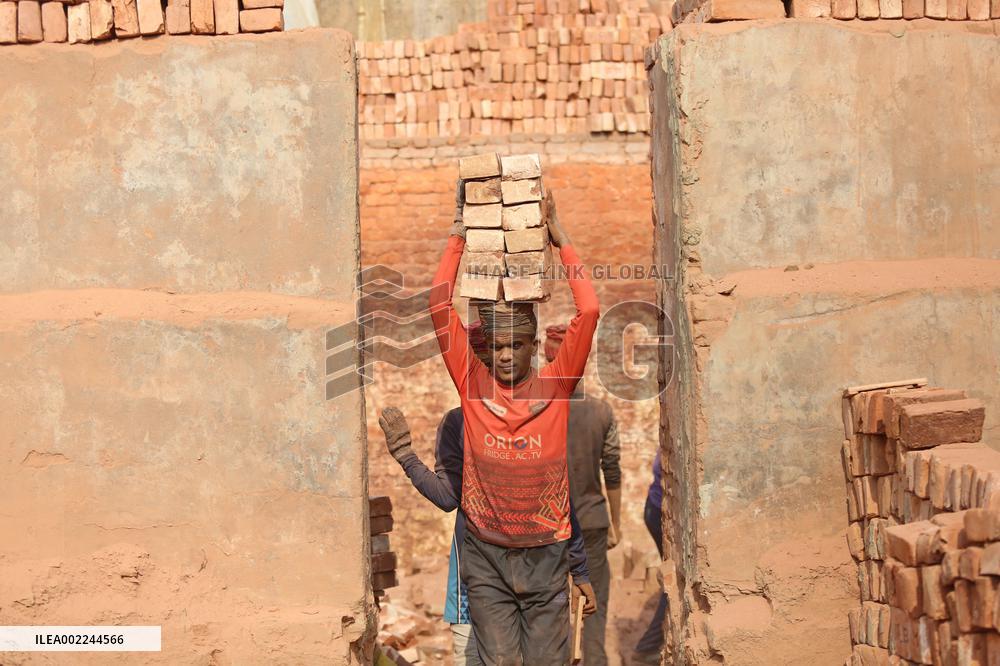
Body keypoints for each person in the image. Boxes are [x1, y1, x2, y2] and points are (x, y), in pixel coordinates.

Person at [427, 184, 601, 665]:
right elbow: (439, 306)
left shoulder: (556, 388)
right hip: (486, 556)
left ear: (531, 347)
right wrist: (459, 235)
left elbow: (588, 311)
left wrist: (560, 238)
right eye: (498, 346)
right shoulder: (471, 385)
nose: (505, 355)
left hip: (547, 555)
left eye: (516, 346)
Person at [378, 400, 596, 665]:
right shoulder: (463, 422)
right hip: (486, 583)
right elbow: (449, 497)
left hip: (532, 584)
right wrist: (406, 456)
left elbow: (558, 500)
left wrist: (578, 569)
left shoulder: (529, 421)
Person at [545, 325, 622, 666]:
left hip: (548, 528)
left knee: (549, 613)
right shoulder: (601, 411)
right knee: (594, 608)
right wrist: (615, 523)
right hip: (592, 522)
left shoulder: (536, 411)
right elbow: (613, 469)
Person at [632, 450, 667, 664]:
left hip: (653, 507)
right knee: (674, 582)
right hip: (657, 509)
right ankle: (648, 649)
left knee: (671, 579)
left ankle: (649, 647)